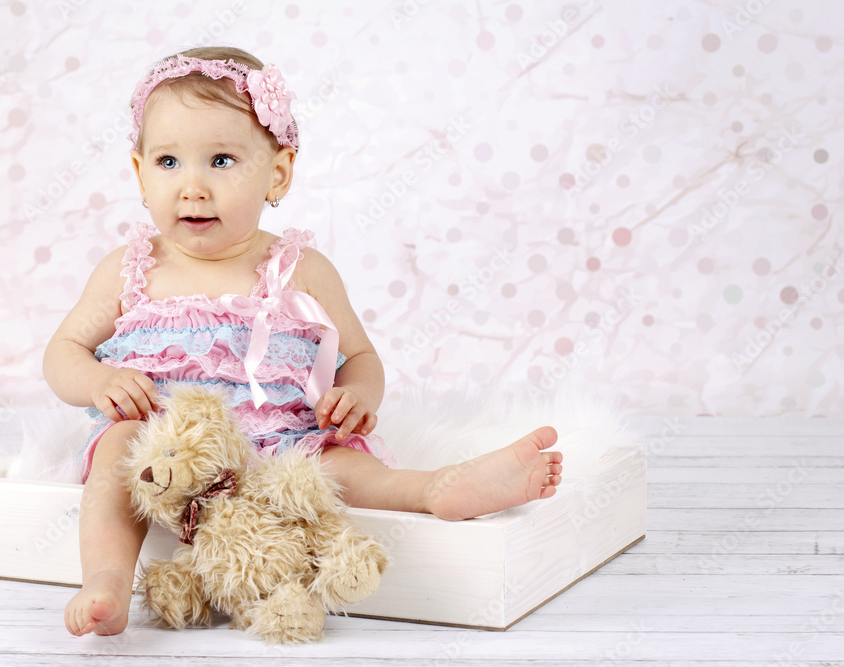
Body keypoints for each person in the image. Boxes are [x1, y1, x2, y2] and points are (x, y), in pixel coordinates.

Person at [43, 46, 563, 637]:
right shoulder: (130, 268)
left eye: (220, 160)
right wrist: (99, 381)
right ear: (137, 173)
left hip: (280, 441)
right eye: (168, 162)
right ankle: (107, 577)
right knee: (117, 450)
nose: (192, 187)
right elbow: (63, 353)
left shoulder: (298, 268)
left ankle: (433, 489)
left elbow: (360, 356)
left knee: (334, 464)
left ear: (278, 173)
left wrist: (356, 395)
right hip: (164, 452)